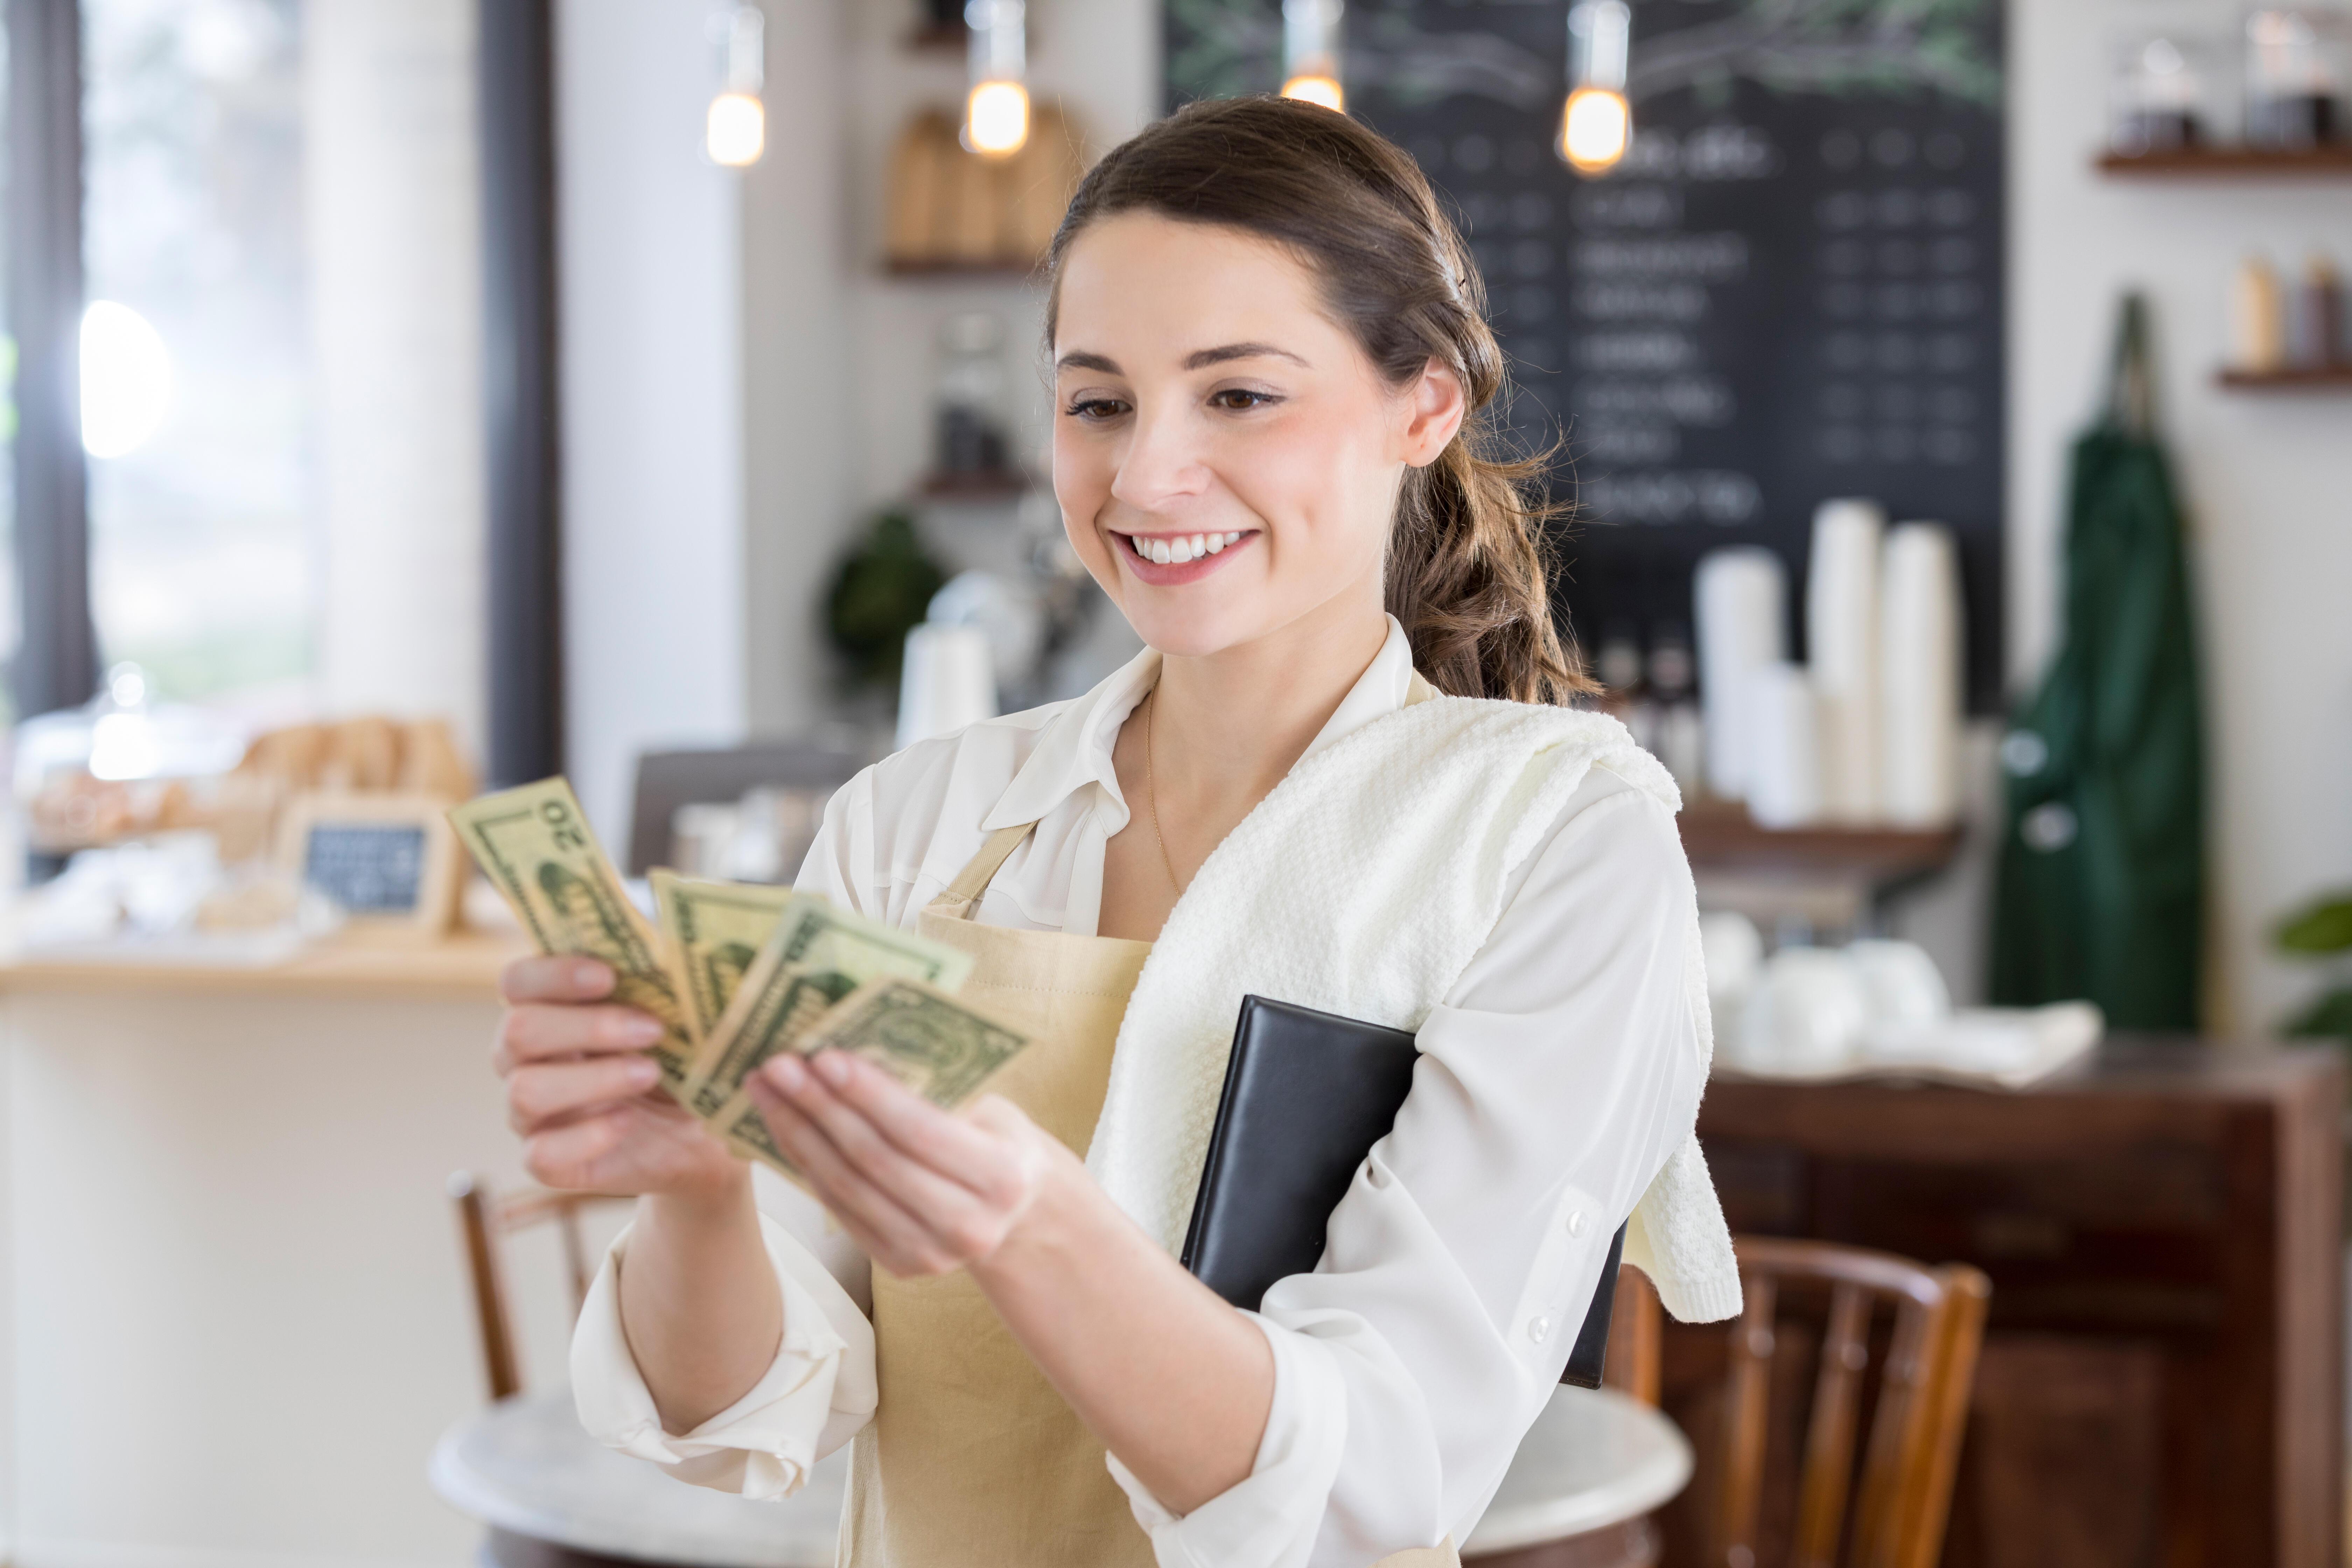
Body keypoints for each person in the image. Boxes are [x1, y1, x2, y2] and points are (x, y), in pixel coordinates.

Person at [492, 95, 1738, 1568]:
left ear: (1428, 402)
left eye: (1240, 396)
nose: (1147, 477)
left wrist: (1029, 1220)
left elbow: (1379, 1475)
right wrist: (696, 1184)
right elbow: (741, 1418)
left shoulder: (1557, 838)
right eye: (1097, 403)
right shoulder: (913, 824)